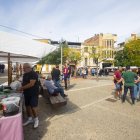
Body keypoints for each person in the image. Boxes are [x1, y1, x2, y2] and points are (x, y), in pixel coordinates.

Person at [16, 63, 39, 128]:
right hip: (27, 93)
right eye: (23, 68)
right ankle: (29, 119)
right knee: (27, 106)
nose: (23, 69)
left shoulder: (33, 74)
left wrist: (21, 88)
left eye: (24, 68)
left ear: (29, 67)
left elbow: (31, 84)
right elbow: (26, 82)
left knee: (33, 107)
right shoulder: (25, 74)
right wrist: (20, 83)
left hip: (33, 93)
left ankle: (36, 119)